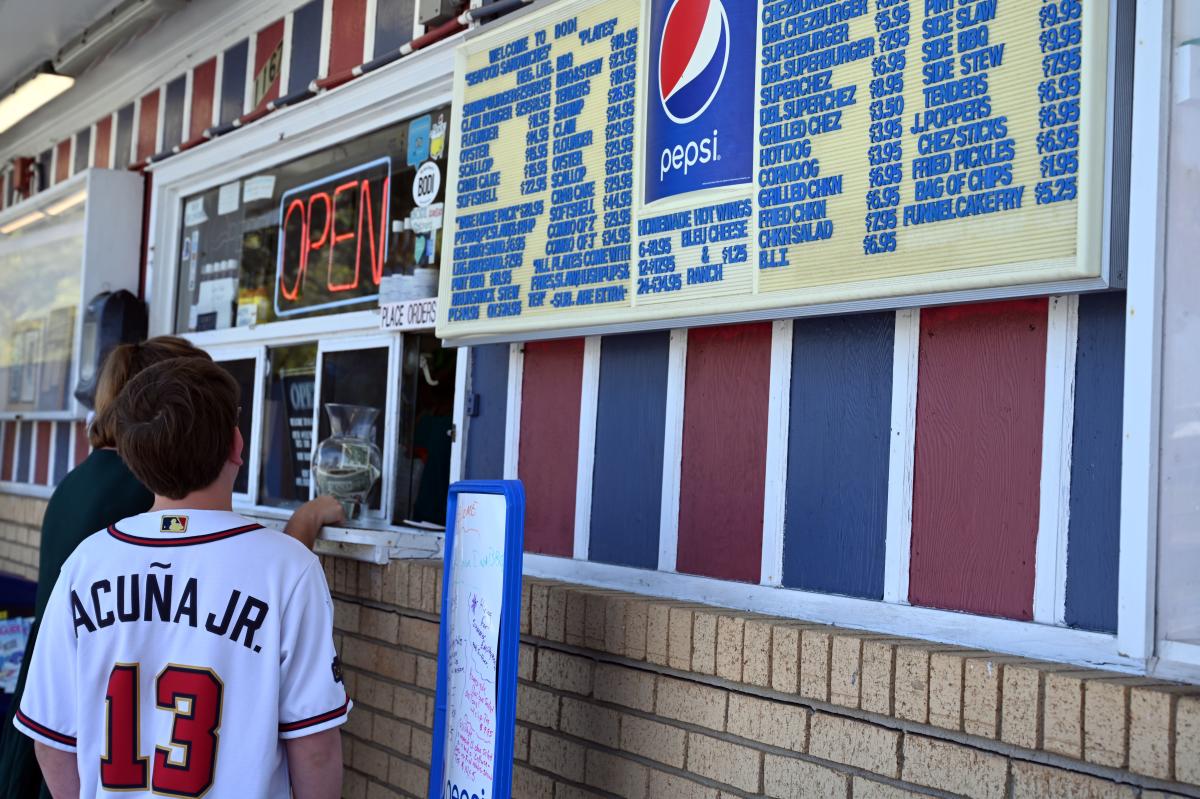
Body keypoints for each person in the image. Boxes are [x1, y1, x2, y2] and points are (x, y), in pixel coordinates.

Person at [0, 338, 343, 797]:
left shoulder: (85, 562)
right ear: (237, 445)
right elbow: (315, 749)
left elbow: (52, 745)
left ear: (137, 461)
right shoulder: (291, 569)